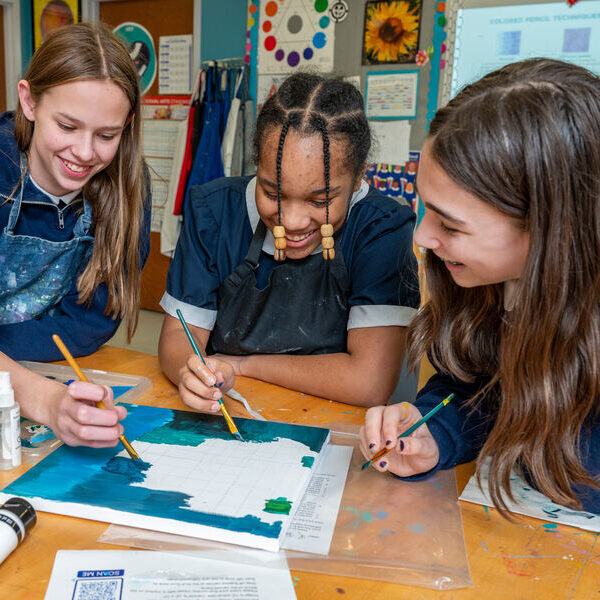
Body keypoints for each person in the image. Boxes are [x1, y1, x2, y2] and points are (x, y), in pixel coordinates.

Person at [360, 58, 600, 514]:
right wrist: (436, 430)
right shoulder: (490, 283)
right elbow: (477, 383)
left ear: (552, 232)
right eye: (426, 208)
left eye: (451, 225)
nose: (422, 238)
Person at [159, 73, 420, 413]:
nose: (292, 222)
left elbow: (368, 382)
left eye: (319, 200)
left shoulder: (381, 228)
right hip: (234, 409)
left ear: (357, 177)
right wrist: (191, 372)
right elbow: (178, 345)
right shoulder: (215, 212)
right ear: (257, 164)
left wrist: (241, 365)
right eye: (272, 193)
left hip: (333, 419)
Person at [0, 22, 151, 447]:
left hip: (45, 373)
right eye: (67, 127)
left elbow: (89, 324)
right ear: (29, 101)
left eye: (107, 135)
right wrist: (47, 402)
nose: (85, 153)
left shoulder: (126, 187)